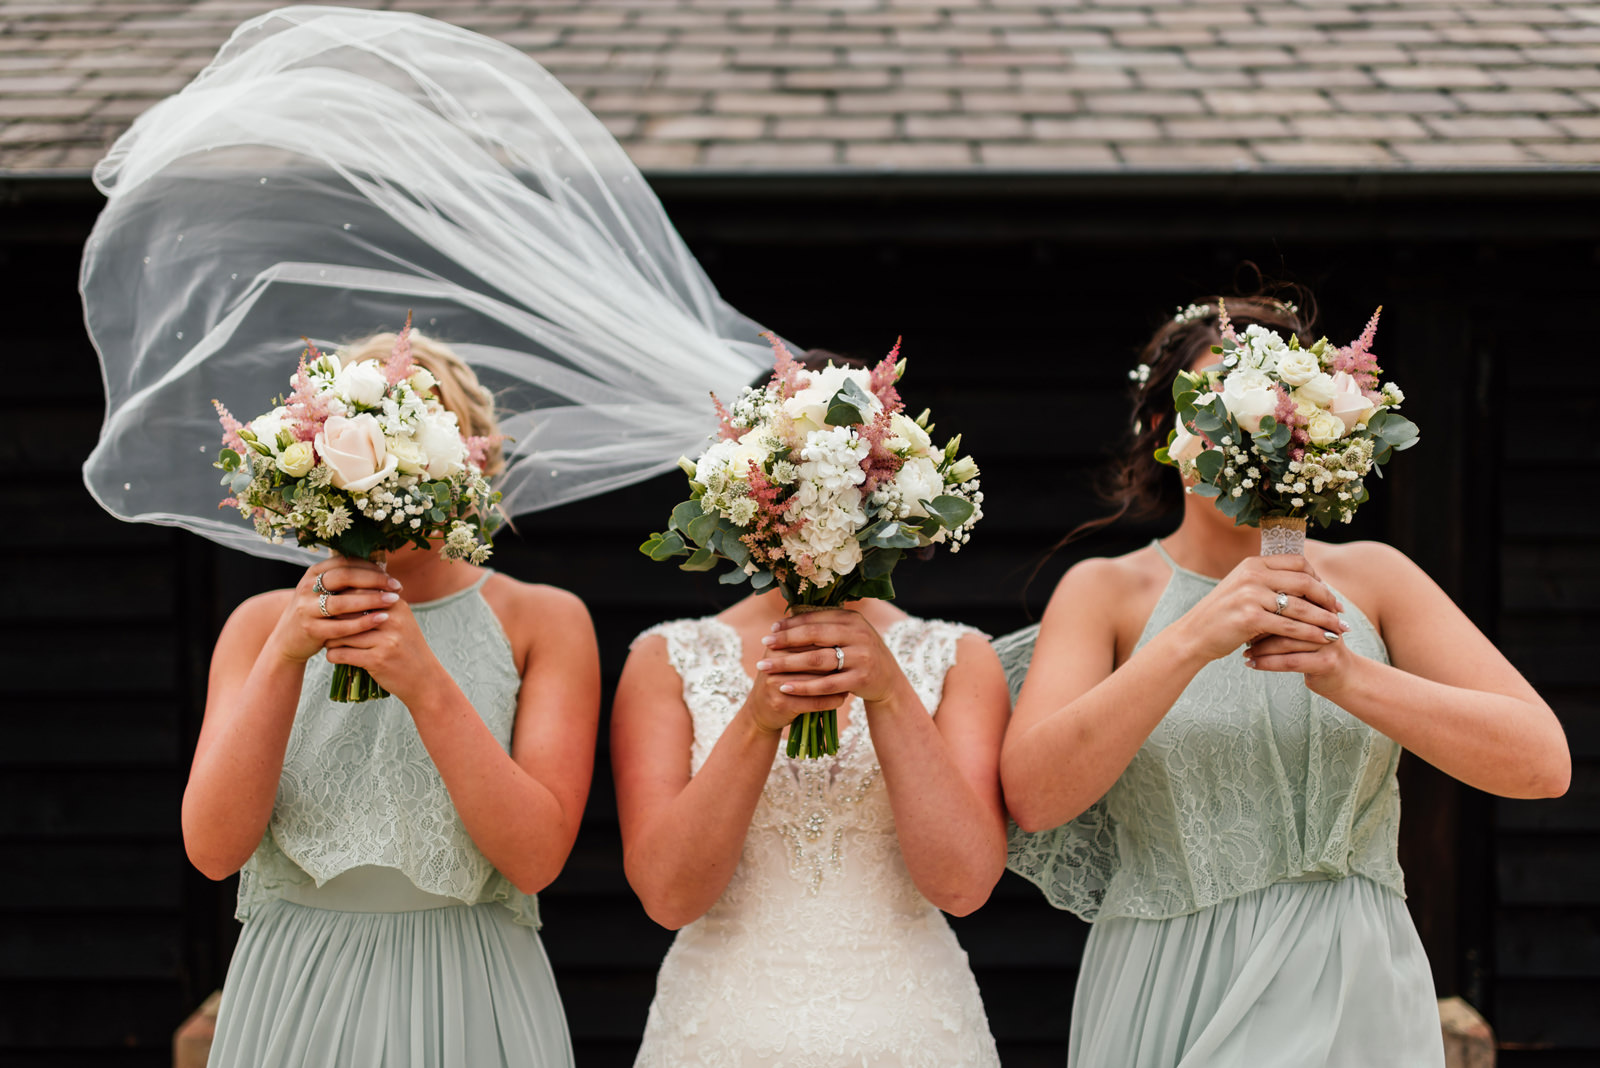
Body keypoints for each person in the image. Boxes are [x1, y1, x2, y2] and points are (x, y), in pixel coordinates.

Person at [998, 293, 1570, 1068]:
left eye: (1274, 408)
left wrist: (1346, 674)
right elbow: (1034, 797)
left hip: (1356, 977)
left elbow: (1542, 763)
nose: (1250, 430)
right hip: (1172, 982)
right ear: (1167, 434)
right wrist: (1191, 639)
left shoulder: (1376, 578)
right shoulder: (1105, 593)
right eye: (1219, 405)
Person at [182, 334, 599, 1067]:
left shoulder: (545, 620)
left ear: (468, 469)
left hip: (468, 980)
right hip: (295, 984)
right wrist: (286, 653)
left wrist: (424, 681)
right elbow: (214, 851)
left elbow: (535, 859)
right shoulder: (256, 629)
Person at [612, 374, 1010, 1065]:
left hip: (911, 1029)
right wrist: (758, 718)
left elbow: (963, 886)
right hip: (719, 1032)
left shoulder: (958, 658)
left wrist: (890, 693)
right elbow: (669, 896)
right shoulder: (665, 657)